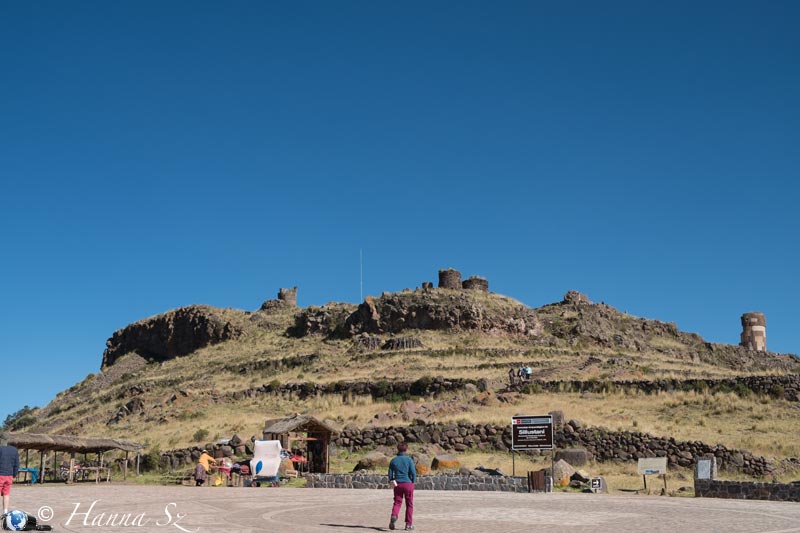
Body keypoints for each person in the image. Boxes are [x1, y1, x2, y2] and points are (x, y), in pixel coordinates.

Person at [387, 442, 416, 531]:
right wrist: (413, 482)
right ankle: (408, 524)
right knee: (409, 504)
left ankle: (394, 515)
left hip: (397, 484)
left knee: (397, 502)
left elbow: (390, 474)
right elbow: (413, 472)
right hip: (408, 483)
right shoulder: (409, 460)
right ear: (406, 449)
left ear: (398, 449)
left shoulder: (393, 460)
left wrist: (391, 481)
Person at [0, 431, 19, 515]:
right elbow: (16, 464)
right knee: (6, 494)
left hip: (0, 474)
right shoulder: (14, 450)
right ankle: (5, 512)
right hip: (9, 475)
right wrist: (14, 474)